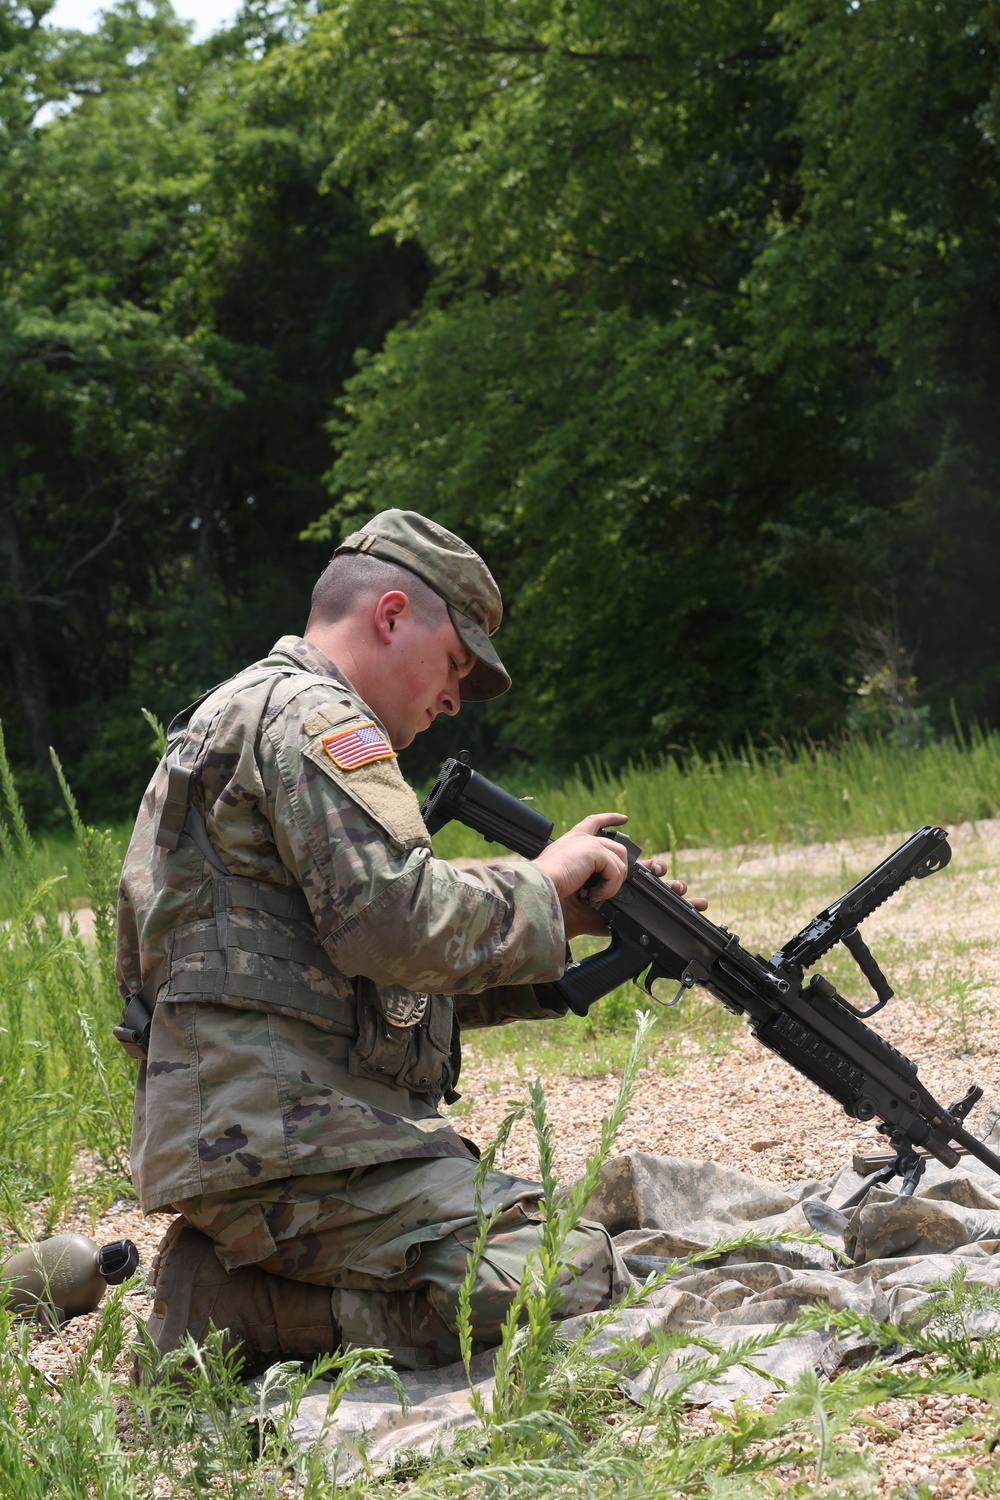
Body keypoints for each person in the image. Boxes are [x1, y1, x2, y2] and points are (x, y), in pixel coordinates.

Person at [115, 509, 702, 1376]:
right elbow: (391, 918)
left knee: (568, 1246)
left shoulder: (254, 710)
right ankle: (232, 1307)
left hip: (262, 1133)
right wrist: (539, 884)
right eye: (455, 661)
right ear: (389, 616)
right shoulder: (316, 718)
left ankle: (235, 1283)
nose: (455, 696)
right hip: (289, 1143)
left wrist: (563, 927)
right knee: (569, 1270)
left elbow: (345, 971)